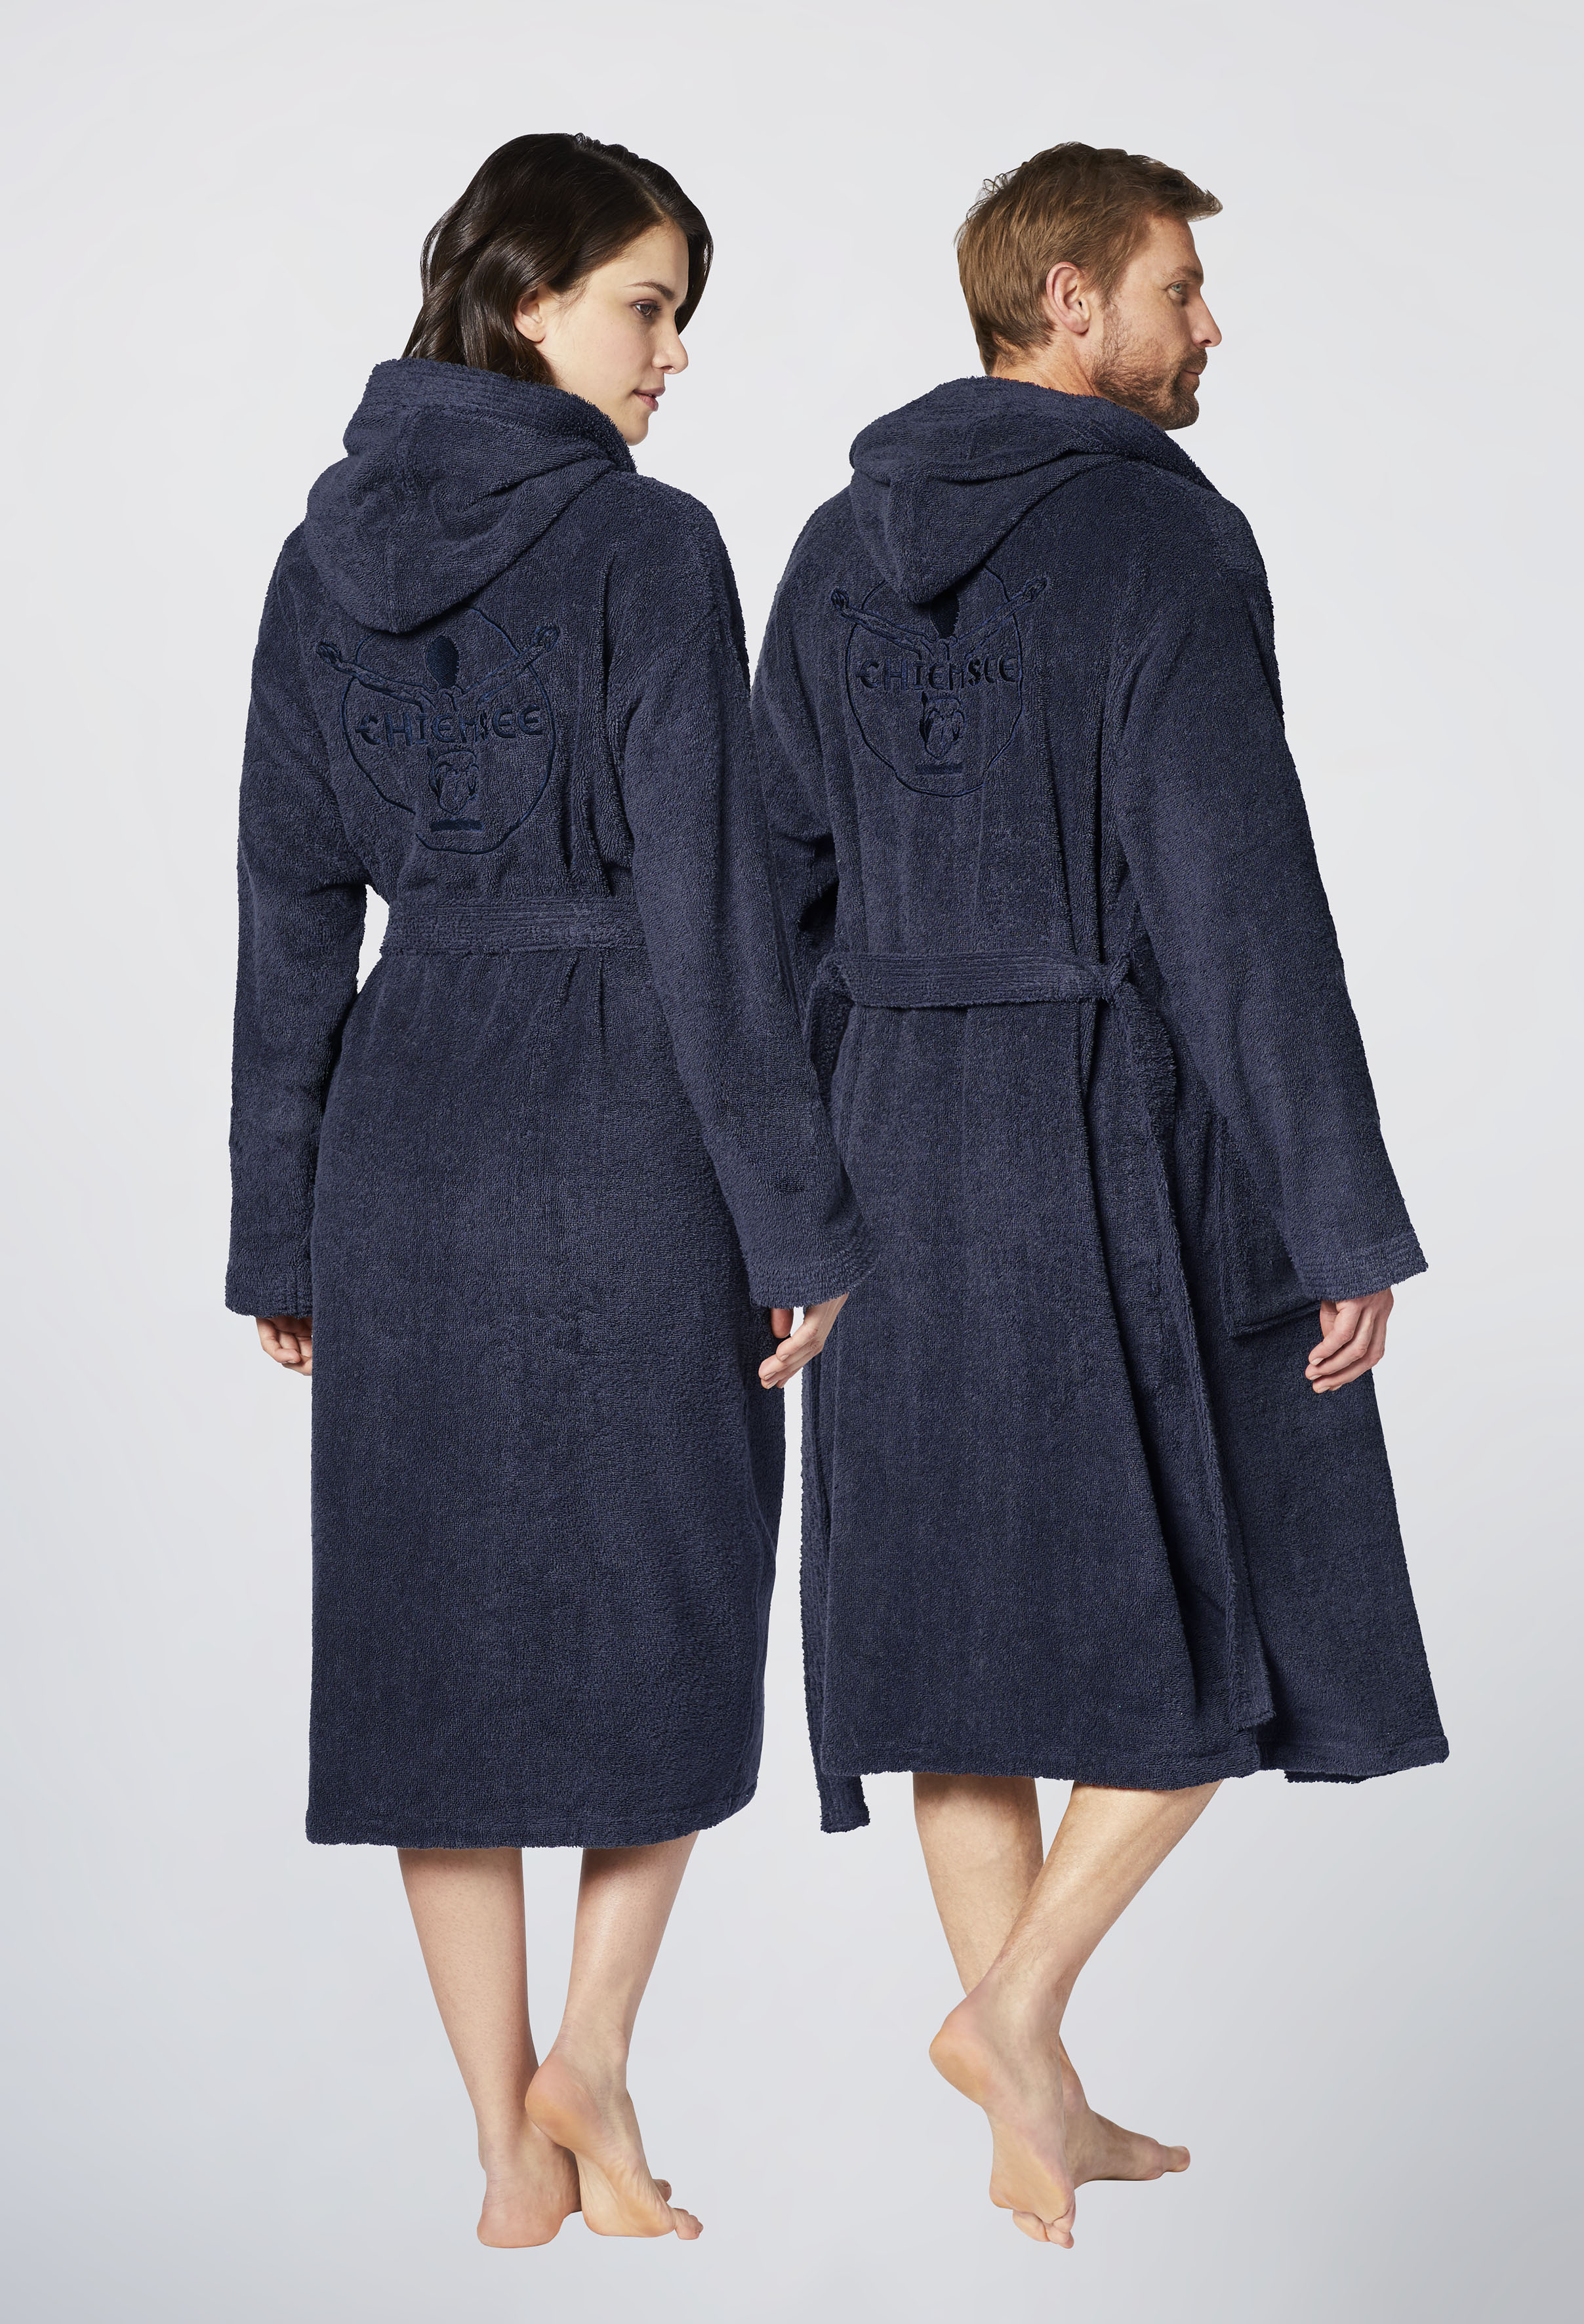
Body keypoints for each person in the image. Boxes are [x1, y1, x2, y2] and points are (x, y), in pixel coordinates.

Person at [750, 142, 1446, 2248]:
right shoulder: (1162, 540)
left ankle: (1023, 2104)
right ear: (1070, 300)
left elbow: (774, 886)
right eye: (1179, 288)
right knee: (1242, 1601)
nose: (1207, 324)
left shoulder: (832, 545)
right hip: (1110, 1132)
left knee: (953, 1638)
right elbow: (1241, 901)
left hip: (888, 1137)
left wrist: (788, 1192)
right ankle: (1013, 2018)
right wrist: (1338, 1214)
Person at [226, 133, 870, 2249]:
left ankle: (505, 2139)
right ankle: (588, 2056)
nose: (674, 355)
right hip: (624, 1124)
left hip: (407, 1131)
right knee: (668, 1582)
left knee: (431, 1631)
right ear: (528, 302)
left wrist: (279, 1221)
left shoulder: (319, 556)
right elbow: (711, 910)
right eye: (649, 307)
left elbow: (291, 908)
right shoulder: (649, 545)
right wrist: (797, 1214)